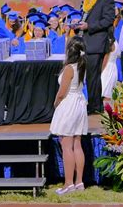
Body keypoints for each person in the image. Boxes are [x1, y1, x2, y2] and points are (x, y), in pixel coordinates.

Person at [50, 36, 88, 195]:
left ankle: (68, 183)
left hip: (69, 105)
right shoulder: (82, 65)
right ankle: (79, 182)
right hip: (79, 105)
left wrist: (55, 104)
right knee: (77, 143)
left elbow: (61, 93)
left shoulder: (69, 68)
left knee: (66, 146)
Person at [75, 0, 115, 114]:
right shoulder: (89, 0)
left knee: (93, 76)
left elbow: (108, 20)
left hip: (97, 43)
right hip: (87, 42)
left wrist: (89, 26)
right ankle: (94, 104)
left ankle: (95, 106)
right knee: (90, 76)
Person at [101, 36, 119, 102]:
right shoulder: (116, 42)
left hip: (106, 70)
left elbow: (105, 59)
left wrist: (99, 71)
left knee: (105, 95)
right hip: (114, 68)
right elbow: (119, 54)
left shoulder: (109, 43)